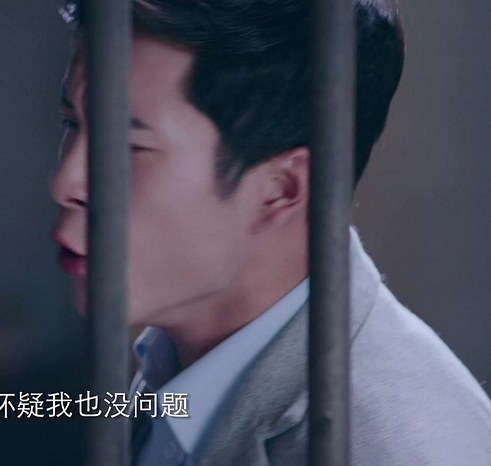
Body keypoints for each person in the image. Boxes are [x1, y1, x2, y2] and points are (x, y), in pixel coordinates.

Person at [48, 0, 491, 464]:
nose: (64, 182)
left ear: (283, 189)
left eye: (126, 146)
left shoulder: (385, 448)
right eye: (71, 122)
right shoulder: (185, 361)